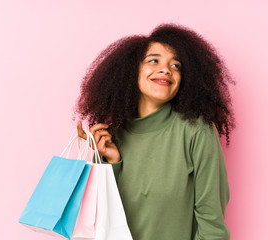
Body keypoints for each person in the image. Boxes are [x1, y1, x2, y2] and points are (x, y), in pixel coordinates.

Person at [75, 23, 235, 240]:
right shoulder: (112, 137)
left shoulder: (196, 131)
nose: (166, 69)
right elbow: (98, 220)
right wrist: (111, 162)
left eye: (176, 65)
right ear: (132, 70)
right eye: (154, 60)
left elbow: (211, 223)